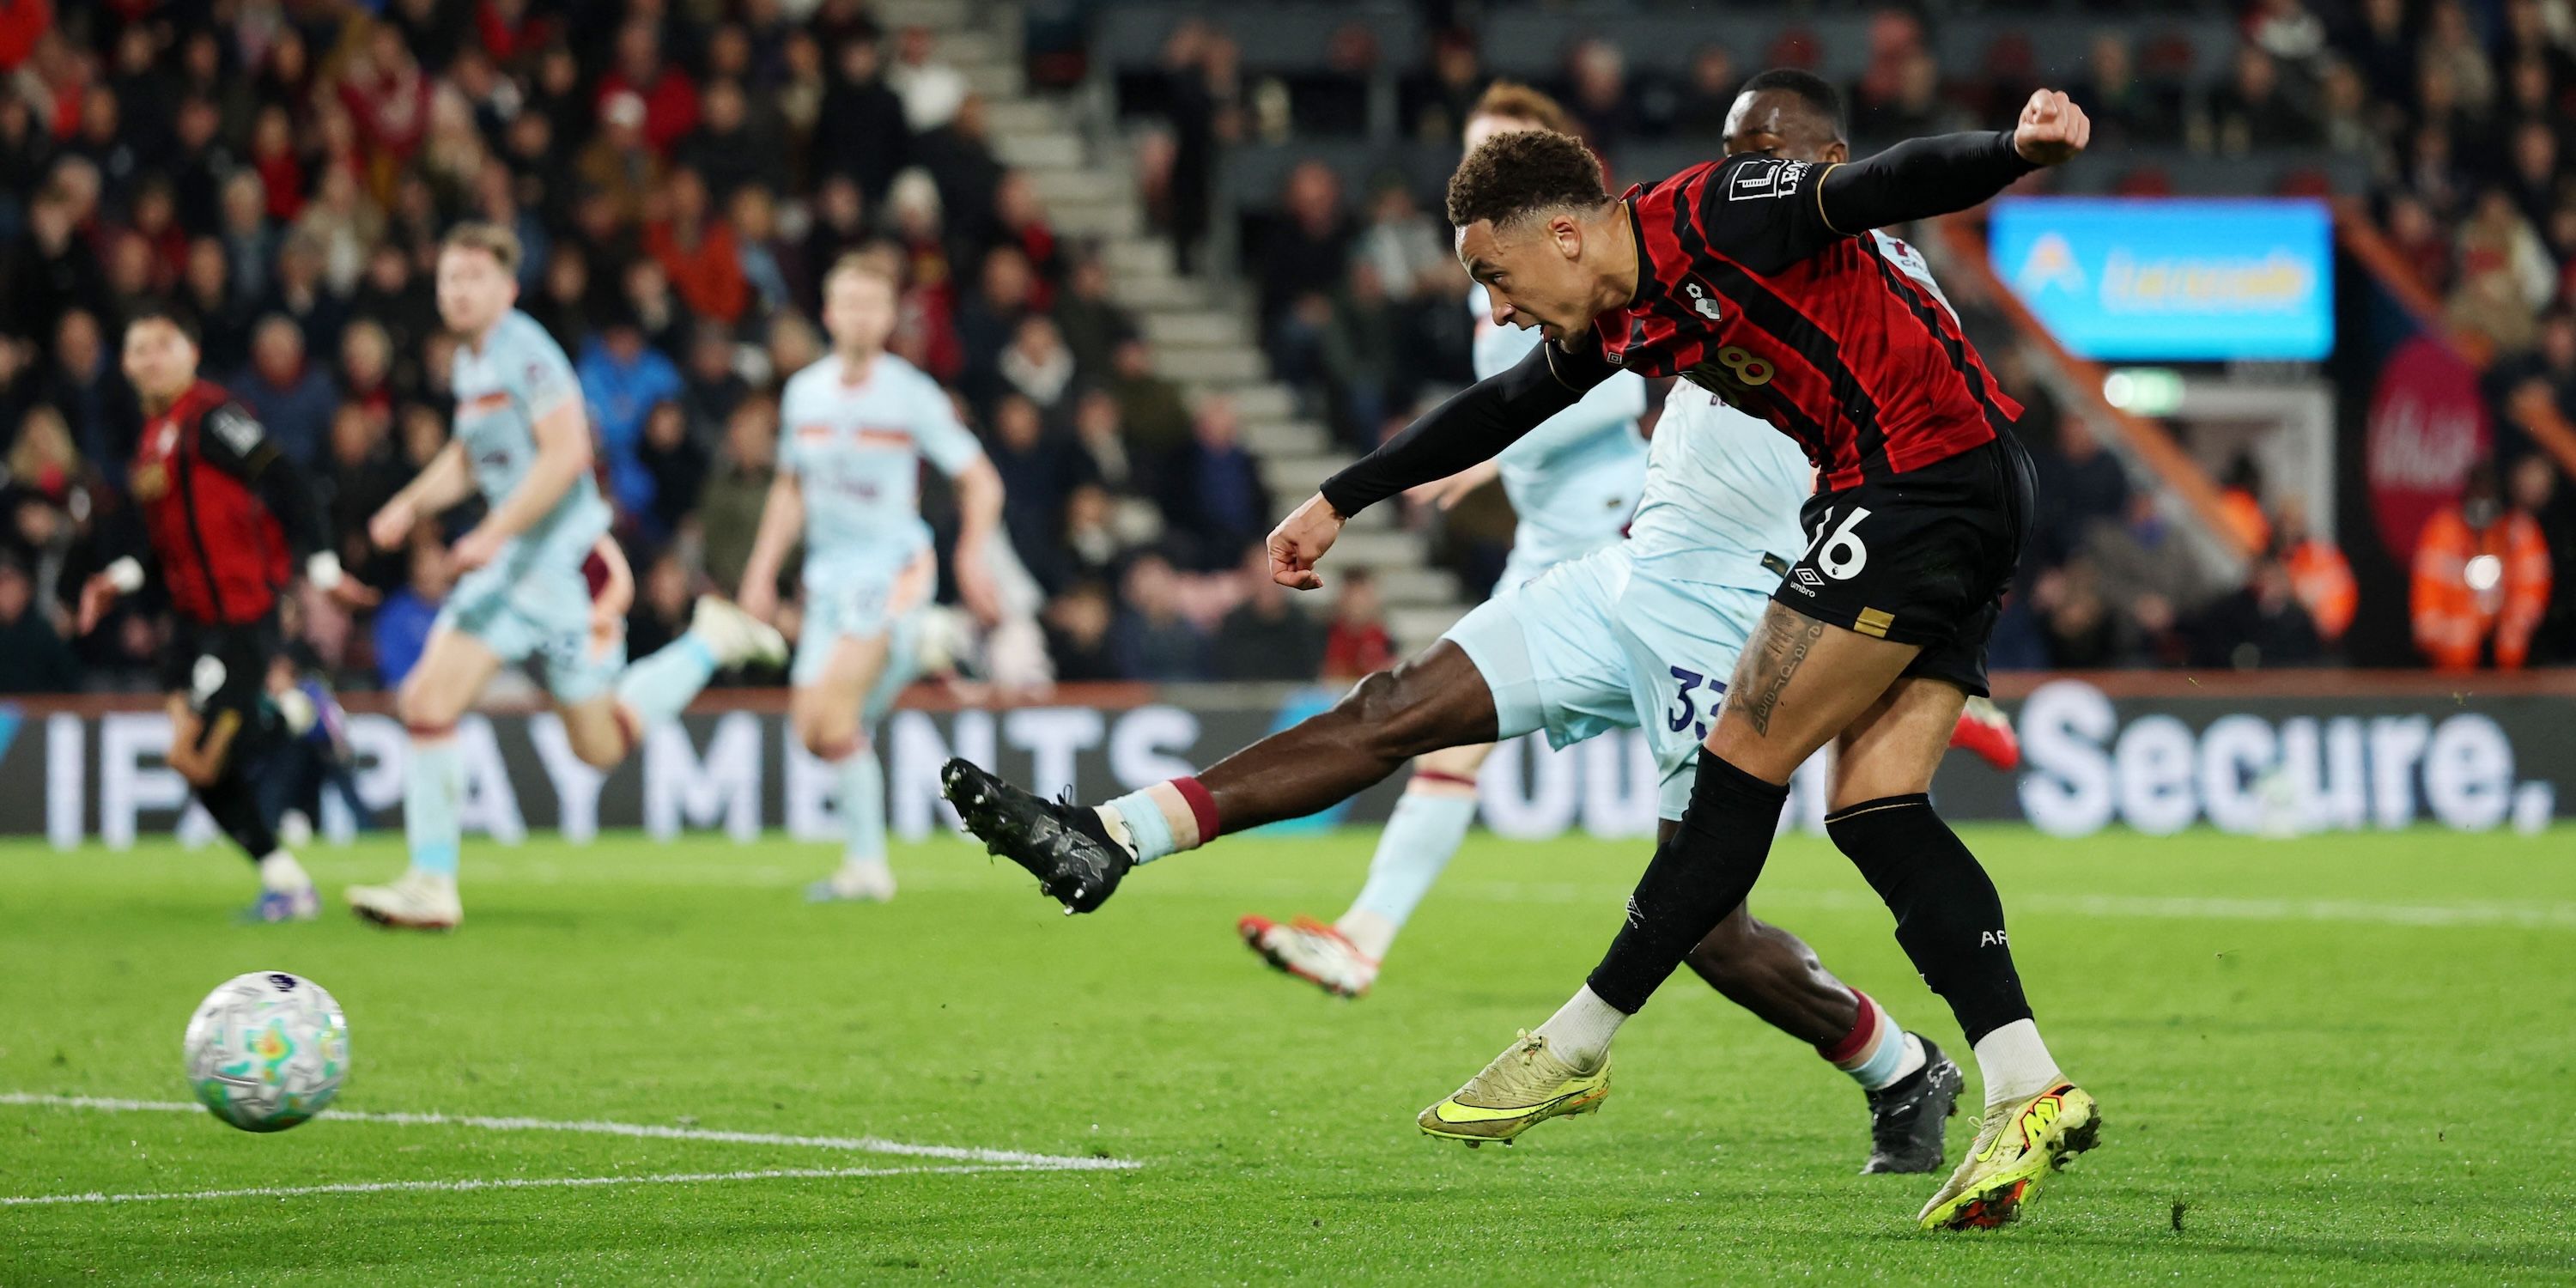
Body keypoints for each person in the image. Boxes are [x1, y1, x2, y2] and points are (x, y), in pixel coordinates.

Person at [978, 72, 2098, 1230]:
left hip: (1875, 517)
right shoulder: (1631, 300)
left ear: (1560, 232)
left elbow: (1882, 183)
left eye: (1493, 276)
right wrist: (1338, 497)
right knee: (1861, 809)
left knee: (1727, 834)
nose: (1496, 307)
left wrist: (2013, 149)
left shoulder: (1741, 211)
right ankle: (2025, 1083)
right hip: (1690, 558)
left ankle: (1583, 1041)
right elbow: (1506, 404)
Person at [348, 224, 787, 931]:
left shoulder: (527, 352)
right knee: (427, 699)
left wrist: (491, 531)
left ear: (507, 288)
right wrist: (408, 503)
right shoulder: (470, 364)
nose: (457, 291)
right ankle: (432, 882)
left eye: (472, 278)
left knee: (599, 746)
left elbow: (566, 455)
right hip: (510, 571)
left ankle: (708, 639)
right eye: (448, 280)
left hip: (570, 571)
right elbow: (471, 456)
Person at [73, 307, 375, 920]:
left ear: (190, 352)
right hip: (188, 625)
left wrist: (320, 569)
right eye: (138, 349)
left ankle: (299, 711)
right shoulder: (152, 438)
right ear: (125, 365)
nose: (150, 358)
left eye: (163, 344)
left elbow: (288, 478)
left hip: (241, 614)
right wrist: (119, 577)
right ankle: (285, 880)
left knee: (203, 754)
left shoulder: (215, 417)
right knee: (194, 764)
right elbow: (164, 543)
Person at [737, 255, 1004, 904]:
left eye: (870, 304)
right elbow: (790, 489)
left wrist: (970, 555)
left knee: (836, 717)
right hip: (828, 580)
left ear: (888, 317)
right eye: (846, 302)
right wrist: (761, 572)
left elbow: (980, 479)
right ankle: (918, 648)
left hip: (892, 572)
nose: (857, 315)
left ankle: (867, 868)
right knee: (813, 732)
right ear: (827, 313)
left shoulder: (910, 393)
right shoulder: (804, 393)